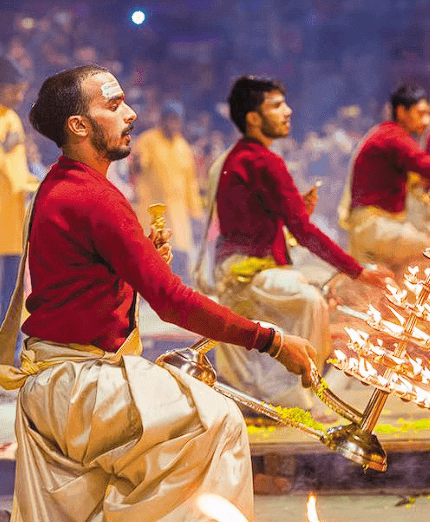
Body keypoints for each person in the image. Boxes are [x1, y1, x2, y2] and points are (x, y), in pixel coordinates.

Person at [0, 65, 316, 521]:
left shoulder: (61, 182)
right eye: (113, 105)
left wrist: (137, 260)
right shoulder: (97, 198)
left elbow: (79, 282)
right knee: (220, 420)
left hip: (58, 385)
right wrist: (271, 340)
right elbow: (172, 302)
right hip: (80, 389)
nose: (130, 114)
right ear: (79, 126)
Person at [212, 76, 391, 415]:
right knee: (311, 300)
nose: (288, 111)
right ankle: (292, 393)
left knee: (317, 293)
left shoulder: (244, 157)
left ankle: (291, 386)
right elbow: (304, 232)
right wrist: (359, 271)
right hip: (246, 275)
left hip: (246, 268)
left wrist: (294, 215)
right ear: (253, 118)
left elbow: (268, 224)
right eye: (277, 105)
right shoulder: (262, 161)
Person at [338, 83, 430, 272]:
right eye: (420, 113)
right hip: (374, 227)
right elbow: (425, 165)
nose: (426, 120)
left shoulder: (390, 135)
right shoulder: (393, 137)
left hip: (379, 227)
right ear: (401, 111)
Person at [132, 101, 203, 283]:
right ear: (161, 121)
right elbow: (139, 167)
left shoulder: (184, 148)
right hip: (153, 212)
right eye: (169, 120)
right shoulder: (148, 141)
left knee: (179, 257)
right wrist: (137, 163)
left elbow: (190, 183)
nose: (173, 125)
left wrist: (195, 212)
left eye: (176, 120)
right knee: (151, 255)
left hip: (178, 215)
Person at [0, 56, 36, 359]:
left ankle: (7, 363)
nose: (19, 96)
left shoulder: (11, 119)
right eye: (14, 89)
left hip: (13, 227)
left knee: (11, 301)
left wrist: (37, 183)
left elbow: (18, 169)